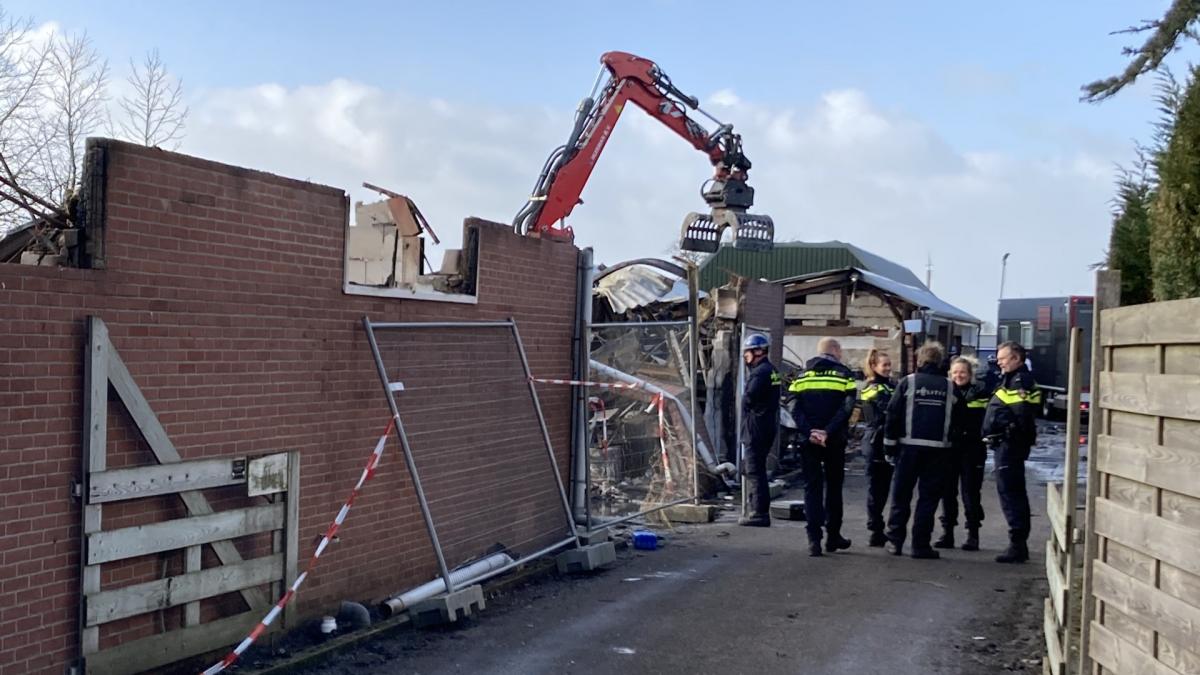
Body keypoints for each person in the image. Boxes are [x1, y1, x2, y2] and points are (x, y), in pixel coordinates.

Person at [883, 341, 953, 559]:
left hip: (908, 449)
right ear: (940, 361)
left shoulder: (908, 382)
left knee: (901, 496)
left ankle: (895, 542)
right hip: (938, 452)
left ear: (920, 360)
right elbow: (958, 420)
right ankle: (920, 546)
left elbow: (892, 414)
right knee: (928, 500)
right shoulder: (950, 386)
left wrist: (889, 446)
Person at [789, 337, 857, 556]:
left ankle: (814, 540)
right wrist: (827, 431)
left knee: (812, 487)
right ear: (835, 350)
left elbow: (793, 407)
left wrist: (810, 431)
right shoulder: (845, 375)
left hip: (807, 440)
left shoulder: (800, 376)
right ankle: (833, 537)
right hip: (834, 440)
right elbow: (846, 409)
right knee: (834, 488)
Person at [983, 341, 1041, 563]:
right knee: (1008, 492)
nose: (999, 362)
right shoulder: (1009, 378)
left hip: (1010, 446)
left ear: (1016, 358)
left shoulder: (1020, 381)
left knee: (1012, 494)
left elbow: (1021, 416)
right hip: (1005, 445)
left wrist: (1006, 431)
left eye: (1003, 358)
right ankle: (1017, 543)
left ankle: (1017, 545)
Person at [934, 356, 989, 551]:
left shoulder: (981, 392)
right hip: (949, 449)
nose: (959, 376)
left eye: (962, 372)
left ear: (970, 374)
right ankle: (947, 533)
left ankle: (972, 535)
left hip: (972, 449)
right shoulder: (945, 392)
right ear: (950, 374)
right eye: (955, 372)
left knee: (970, 493)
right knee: (947, 493)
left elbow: (983, 421)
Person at [739, 333, 781, 527]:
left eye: (747, 352)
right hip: (766, 426)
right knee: (758, 469)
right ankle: (756, 508)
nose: (745, 357)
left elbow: (749, 398)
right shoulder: (771, 370)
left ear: (758, 351)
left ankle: (759, 512)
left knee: (754, 470)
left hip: (756, 427)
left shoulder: (760, 373)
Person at [859, 349, 896, 548]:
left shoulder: (890, 385)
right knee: (876, 490)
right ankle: (875, 529)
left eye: (889, 365)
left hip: (883, 442)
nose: (889, 368)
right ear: (873, 367)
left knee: (882, 489)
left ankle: (878, 528)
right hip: (875, 443)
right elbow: (886, 412)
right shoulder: (872, 387)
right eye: (885, 365)